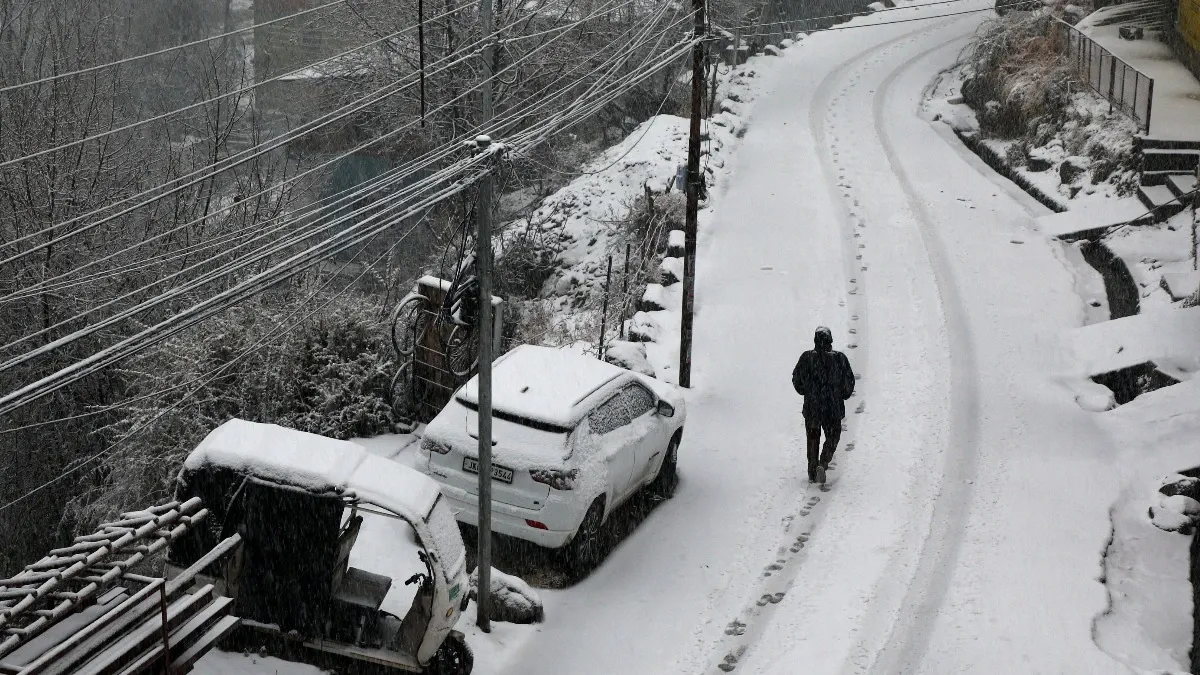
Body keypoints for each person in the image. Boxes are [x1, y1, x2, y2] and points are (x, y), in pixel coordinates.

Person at [791, 326, 855, 485]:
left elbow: (796, 379)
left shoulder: (806, 358)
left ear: (815, 341)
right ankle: (823, 462)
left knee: (812, 439)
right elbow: (849, 383)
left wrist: (807, 391)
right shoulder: (839, 359)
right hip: (832, 408)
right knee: (833, 436)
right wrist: (841, 394)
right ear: (830, 341)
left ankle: (812, 471)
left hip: (812, 407)